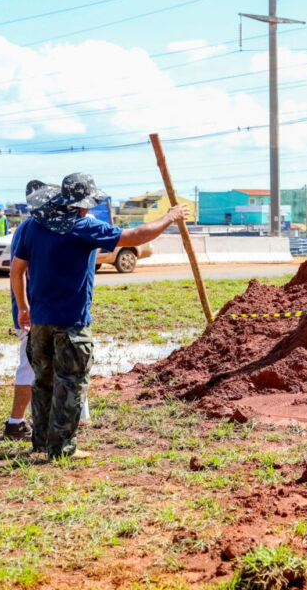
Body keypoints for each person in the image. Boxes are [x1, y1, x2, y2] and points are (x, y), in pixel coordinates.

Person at [11, 173, 189, 459]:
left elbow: (16, 269)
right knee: (70, 383)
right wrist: (170, 217)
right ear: (82, 204)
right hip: (72, 323)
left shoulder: (34, 226)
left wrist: (22, 306)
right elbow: (136, 236)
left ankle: (42, 441)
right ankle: (62, 449)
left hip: (40, 322)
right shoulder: (83, 227)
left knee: (43, 381)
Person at [3, 182, 90, 442]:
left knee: (67, 366)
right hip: (36, 313)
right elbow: (21, 272)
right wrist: (25, 308)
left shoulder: (33, 226)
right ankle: (15, 423)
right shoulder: (35, 227)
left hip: (38, 310)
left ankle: (77, 419)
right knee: (34, 368)